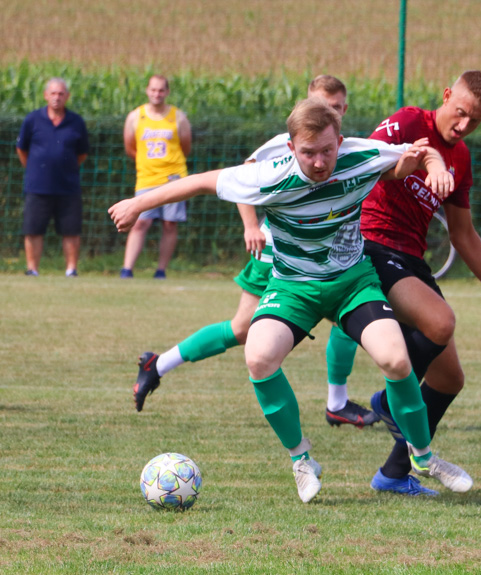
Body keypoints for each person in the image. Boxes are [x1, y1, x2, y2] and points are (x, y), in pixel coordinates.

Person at [110, 97, 462, 503]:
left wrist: (434, 167)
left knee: (396, 359)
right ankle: (302, 459)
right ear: (291, 148)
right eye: (308, 153)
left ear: (340, 142)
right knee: (257, 356)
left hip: (351, 281)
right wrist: (138, 203)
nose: (318, 162)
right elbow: (201, 181)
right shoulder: (269, 175)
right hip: (294, 285)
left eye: (327, 151)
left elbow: (417, 153)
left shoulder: (360, 154)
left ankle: (422, 458)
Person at [131, 75, 377, 428]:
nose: (329, 113)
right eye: (322, 106)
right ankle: (158, 364)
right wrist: (250, 226)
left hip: (329, 260)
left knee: (350, 313)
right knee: (242, 330)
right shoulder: (283, 144)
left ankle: (337, 400)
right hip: (276, 253)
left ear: (344, 109)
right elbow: (240, 180)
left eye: (336, 108)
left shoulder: (344, 148)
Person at [357, 70, 481, 496]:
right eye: (460, 114)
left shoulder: (461, 158)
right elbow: (362, 162)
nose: (464, 126)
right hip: (373, 244)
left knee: (448, 379)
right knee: (441, 322)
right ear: (445, 97)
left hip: (412, 258)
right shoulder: (408, 122)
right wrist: (405, 163)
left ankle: (393, 474)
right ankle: (390, 401)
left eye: (476, 120)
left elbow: (464, 234)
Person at [119, 75, 192, 279]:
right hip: (146, 178)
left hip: (173, 178)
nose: (156, 94)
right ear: (147, 90)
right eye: (153, 90)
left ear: (167, 92)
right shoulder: (136, 116)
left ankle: (161, 270)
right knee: (140, 222)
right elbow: (130, 147)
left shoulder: (178, 117)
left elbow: (185, 146)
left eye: (161, 90)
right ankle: (127, 269)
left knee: (170, 223)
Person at [16, 78, 89, 277]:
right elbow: (22, 150)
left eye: (61, 94)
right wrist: (35, 168)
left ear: (67, 96)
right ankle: (33, 269)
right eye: (53, 93)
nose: (57, 97)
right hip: (37, 186)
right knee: (33, 229)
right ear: (45, 95)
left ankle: (71, 270)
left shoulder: (76, 122)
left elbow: (82, 154)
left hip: (68, 186)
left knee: (71, 230)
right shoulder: (33, 120)